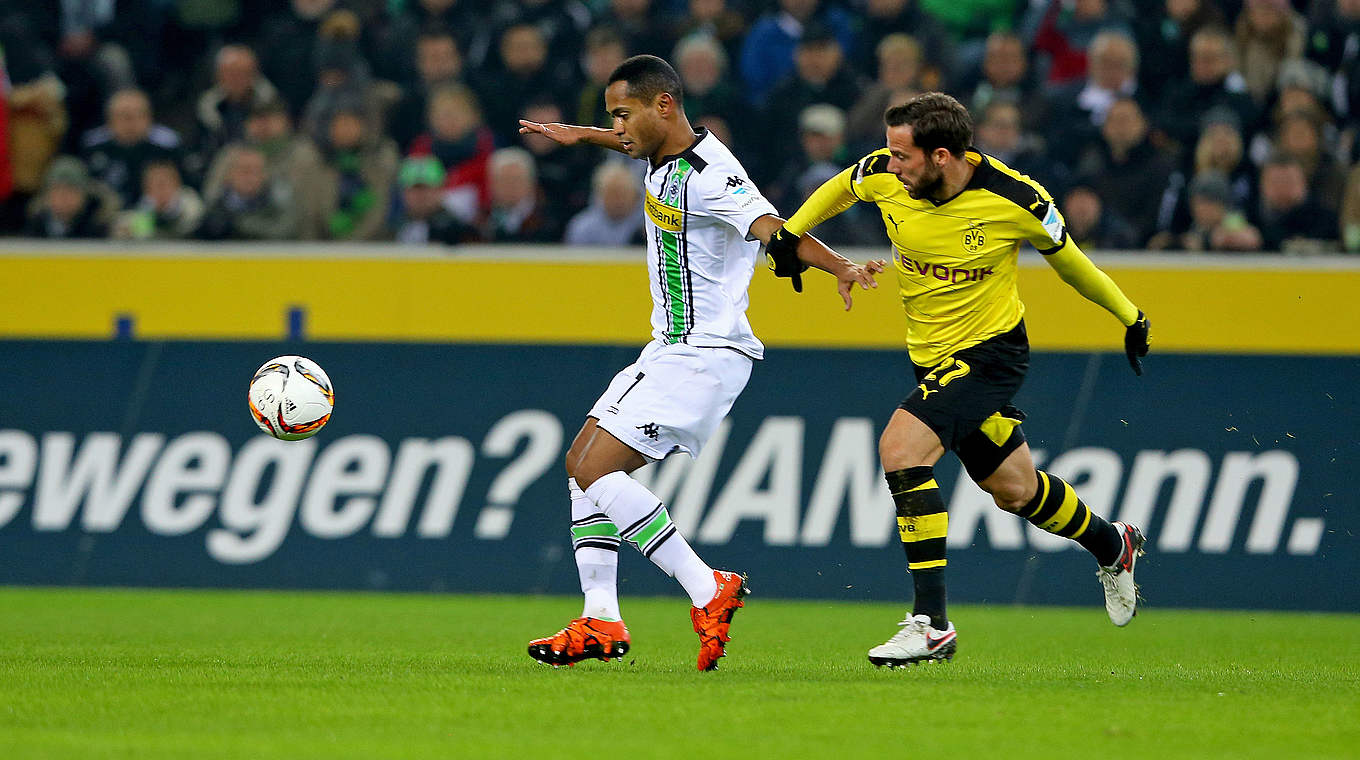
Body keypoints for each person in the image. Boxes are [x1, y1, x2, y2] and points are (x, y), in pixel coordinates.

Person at [517, 54, 883, 670]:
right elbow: (633, 145)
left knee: (599, 474)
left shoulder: (715, 177)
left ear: (664, 105)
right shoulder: (661, 157)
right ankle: (600, 619)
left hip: (703, 354)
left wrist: (841, 266)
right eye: (613, 119)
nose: (621, 130)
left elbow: (774, 229)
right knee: (579, 466)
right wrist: (584, 135)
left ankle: (706, 587)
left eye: (623, 114)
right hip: (669, 349)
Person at [763, 92, 1150, 666]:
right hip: (933, 358)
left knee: (900, 449)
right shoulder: (885, 175)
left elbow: (1073, 265)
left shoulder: (1015, 199)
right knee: (1013, 489)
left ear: (942, 155)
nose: (890, 165)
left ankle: (931, 623)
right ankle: (1112, 545)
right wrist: (790, 235)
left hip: (992, 354)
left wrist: (1129, 315)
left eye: (902, 156)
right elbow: (843, 186)